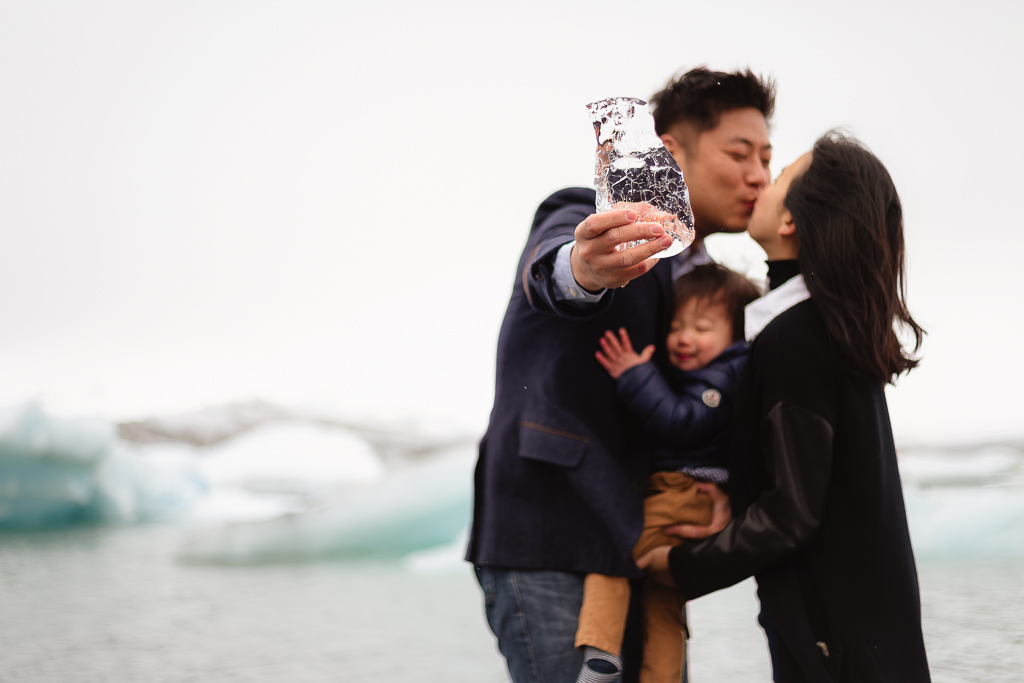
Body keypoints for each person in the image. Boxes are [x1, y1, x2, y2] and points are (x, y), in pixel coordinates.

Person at [466, 67, 775, 683]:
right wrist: (583, 269)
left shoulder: (715, 288)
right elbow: (551, 267)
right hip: (553, 533)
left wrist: (725, 495)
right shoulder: (586, 211)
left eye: (767, 158)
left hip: (645, 546)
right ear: (668, 152)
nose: (758, 176)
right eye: (738, 154)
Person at [638, 132, 931, 682]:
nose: (759, 183)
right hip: (860, 642)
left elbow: (791, 514)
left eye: (778, 177)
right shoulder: (822, 331)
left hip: (836, 649)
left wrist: (677, 568)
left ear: (793, 221)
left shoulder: (797, 338)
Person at [574, 264, 761, 683]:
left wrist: (636, 377)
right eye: (676, 326)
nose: (684, 338)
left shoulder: (722, 380)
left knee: (614, 550)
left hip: (682, 490)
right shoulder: (712, 373)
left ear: (737, 332)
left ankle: (601, 656)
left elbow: (682, 421)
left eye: (702, 326)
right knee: (663, 602)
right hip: (688, 494)